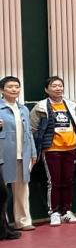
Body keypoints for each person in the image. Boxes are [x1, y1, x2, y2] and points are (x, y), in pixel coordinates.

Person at [30, 76, 76, 226]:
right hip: (52, 149)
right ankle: (54, 212)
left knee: (68, 180)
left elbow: (74, 125)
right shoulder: (40, 107)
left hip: (70, 148)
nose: (58, 88)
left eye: (60, 85)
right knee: (54, 182)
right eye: (54, 86)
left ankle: (67, 211)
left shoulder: (71, 105)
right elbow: (33, 129)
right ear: (47, 90)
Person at [1, 76, 37, 234]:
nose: (14, 89)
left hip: (23, 153)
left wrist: (33, 152)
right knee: (2, 191)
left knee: (22, 189)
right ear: (2, 90)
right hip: (3, 154)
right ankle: (3, 224)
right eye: (10, 86)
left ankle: (22, 221)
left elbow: (28, 132)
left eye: (17, 86)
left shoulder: (23, 109)